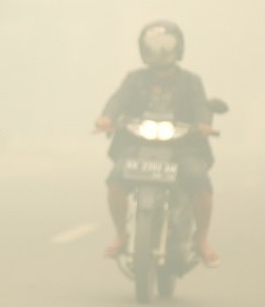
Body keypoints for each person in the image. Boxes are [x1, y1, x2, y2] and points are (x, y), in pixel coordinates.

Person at [93, 20, 220, 268]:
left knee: (200, 182)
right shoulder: (134, 79)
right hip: (138, 145)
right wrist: (106, 117)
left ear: (179, 48)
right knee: (115, 181)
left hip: (182, 148)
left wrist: (204, 123)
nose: (159, 52)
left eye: (166, 46)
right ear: (143, 48)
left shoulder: (191, 81)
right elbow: (117, 100)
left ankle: (202, 240)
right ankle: (121, 234)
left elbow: (202, 108)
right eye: (153, 46)